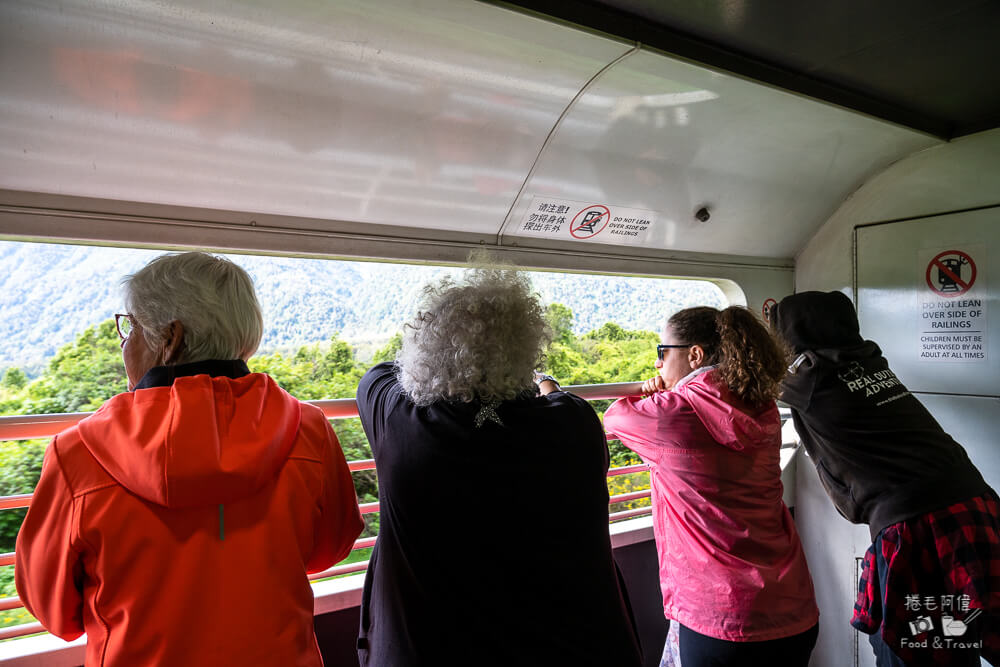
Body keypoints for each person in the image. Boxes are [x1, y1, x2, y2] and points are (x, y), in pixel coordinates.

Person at [16, 252, 364, 666]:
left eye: (130, 327)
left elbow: (54, 611)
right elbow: (329, 550)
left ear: (170, 338)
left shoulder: (77, 453)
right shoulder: (310, 430)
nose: (125, 342)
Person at [354, 264, 642, 667]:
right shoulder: (574, 425)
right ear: (527, 346)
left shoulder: (401, 424)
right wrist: (543, 384)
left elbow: (378, 375)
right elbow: (558, 396)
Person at [769, 290, 999, 666]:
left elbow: (746, 380)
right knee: (952, 630)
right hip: (971, 505)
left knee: (911, 645)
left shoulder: (809, 376)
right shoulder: (868, 358)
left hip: (922, 526)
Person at [603, 305, 819, 667]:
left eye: (662, 352)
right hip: (793, 608)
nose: (658, 364)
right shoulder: (762, 406)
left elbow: (615, 417)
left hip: (723, 619)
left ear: (694, 355)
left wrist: (648, 393)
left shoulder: (671, 414)